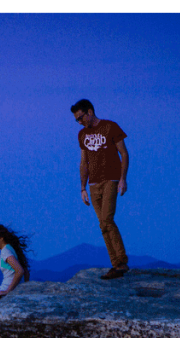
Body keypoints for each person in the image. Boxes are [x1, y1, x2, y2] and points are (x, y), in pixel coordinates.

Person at [71, 99, 130, 280]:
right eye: (76, 120)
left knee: (107, 219)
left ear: (90, 111)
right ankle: (116, 265)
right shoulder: (82, 135)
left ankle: (121, 261)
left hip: (110, 179)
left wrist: (122, 179)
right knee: (102, 224)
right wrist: (82, 187)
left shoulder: (110, 127)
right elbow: (84, 162)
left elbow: (124, 153)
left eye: (81, 118)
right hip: (93, 184)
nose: (80, 122)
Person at [0, 222, 31, 304]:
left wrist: (8, 291)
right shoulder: (11, 248)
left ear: (1, 238)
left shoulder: (6, 252)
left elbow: (20, 271)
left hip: (5, 290)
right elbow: (26, 272)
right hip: (15, 291)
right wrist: (24, 288)